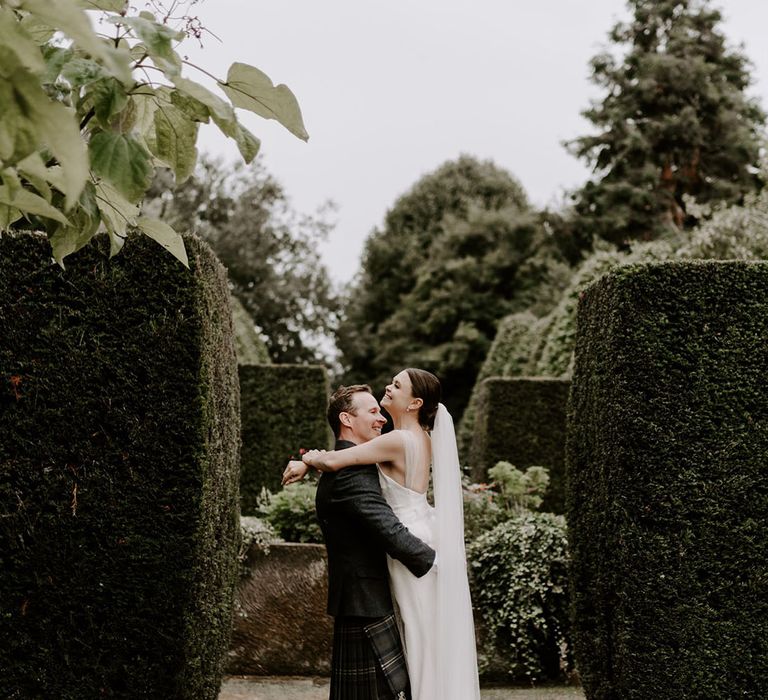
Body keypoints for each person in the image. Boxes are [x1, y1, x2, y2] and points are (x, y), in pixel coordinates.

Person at [283, 369, 481, 700]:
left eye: (396, 386)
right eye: (372, 409)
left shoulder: (396, 440)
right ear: (348, 419)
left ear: (415, 402)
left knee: (420, 636)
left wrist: (305, 461)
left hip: (410, 546)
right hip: (420, 535)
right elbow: (342, 461)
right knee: (427, 636)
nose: (387, 390)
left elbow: (335, 460)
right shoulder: (418, 439)